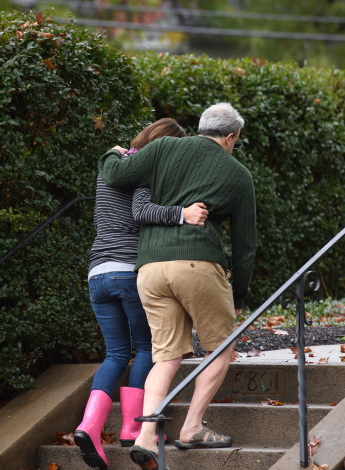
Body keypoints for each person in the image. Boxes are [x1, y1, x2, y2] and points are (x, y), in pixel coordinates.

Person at [98, 103, 257, 470]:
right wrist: (239, 296)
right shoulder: (238, 175)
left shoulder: (161, 148)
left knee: (166, 355)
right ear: (230, 138)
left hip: (149, 269)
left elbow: (116, 173)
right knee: (221, 348)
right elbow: (245, 246)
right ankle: (192, 428)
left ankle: (145, 435)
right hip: (197, 263)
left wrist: (110, 153)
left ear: (201, 126)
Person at [74, 118, 209, 470]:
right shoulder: (143, 171)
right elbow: (141, 211)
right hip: (127, 270)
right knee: (148, 349)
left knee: (115, 355)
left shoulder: (113, 165)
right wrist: (183, 213)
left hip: (97, 273)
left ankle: (89, 426)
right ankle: (134, 428)